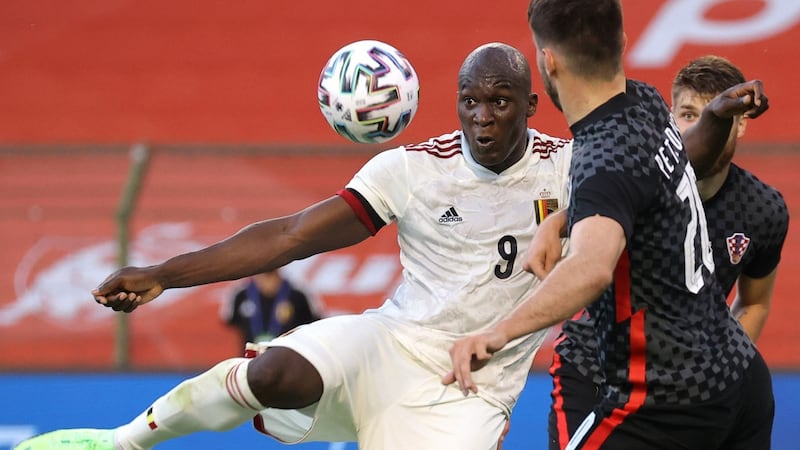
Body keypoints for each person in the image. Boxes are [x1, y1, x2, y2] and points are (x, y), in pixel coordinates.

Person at [15, 42, 575, 450]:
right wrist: (164, 274)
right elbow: (292, 236)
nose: (482, 118)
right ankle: (121, 442)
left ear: (531, 105)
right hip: (391, 344)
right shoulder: (413, 170)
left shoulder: (568, 170)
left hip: (476, 387)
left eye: (500, 102)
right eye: (469, 101)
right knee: (272, 373)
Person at [444, 1, 773, 449]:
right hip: (740, 373)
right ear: (621, 42)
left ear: (548, 61)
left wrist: (496, 333)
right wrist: (563, 220)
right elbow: (667, 165)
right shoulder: (644, 100)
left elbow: (592, 267)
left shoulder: (600, 158)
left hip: (668, 400)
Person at [544, 55, 789, 450]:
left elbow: (754, 303)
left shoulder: (763, 210)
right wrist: (557, 222)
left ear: (742, 122)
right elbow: (598, 219)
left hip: (679, 386)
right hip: (595, 366)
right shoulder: (636, 184)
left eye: (716, 113)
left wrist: (713, 370)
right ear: (671, 120)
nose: (701, 125)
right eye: (688, 114)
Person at [221, 269, 322, 347]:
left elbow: (315, 322)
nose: (268, 283)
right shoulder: (241, 294)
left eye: (271, 276)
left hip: (289, 359)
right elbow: (229, 320)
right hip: (250, 359)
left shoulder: (298, 294)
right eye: (264, 276)